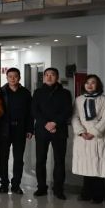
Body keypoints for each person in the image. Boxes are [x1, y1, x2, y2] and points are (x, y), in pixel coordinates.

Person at [32, 67, 72, 200]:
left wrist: (54, 123)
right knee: (40, 160)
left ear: (57, 77)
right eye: (47, 75)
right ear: (44, 77)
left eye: (52, 75)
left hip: (59, 131)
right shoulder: (38, 92)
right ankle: (41, 187)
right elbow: (34, 110)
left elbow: (67, 111)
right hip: (41, 130)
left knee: (59, 161)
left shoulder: (65, 93)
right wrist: (46, 124)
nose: (49, 77)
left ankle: (58, 189)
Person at [72, 74, 105, 204]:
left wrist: (94, 132)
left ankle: (99, 195)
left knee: (98, 165)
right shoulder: (78, 100)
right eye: (87, 82)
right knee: (86, 166)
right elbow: (74, 117)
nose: (89, 85)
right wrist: (81, 131)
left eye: (93, 82)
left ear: (98, 85)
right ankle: (86, 193)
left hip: (98, 137)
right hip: (82, 137)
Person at [0, 68, 33, 194]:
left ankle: (16, 185)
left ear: (19, 77)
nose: (13, 78)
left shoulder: (25, 93)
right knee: (3, 158)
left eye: (15, 76)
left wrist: (29, 129)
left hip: (20, 129)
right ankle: (4, 184)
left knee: (18, 159)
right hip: (4, 129)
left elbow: (30, 113)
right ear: (7, 78)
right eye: (10, 76)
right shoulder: (0, 92)